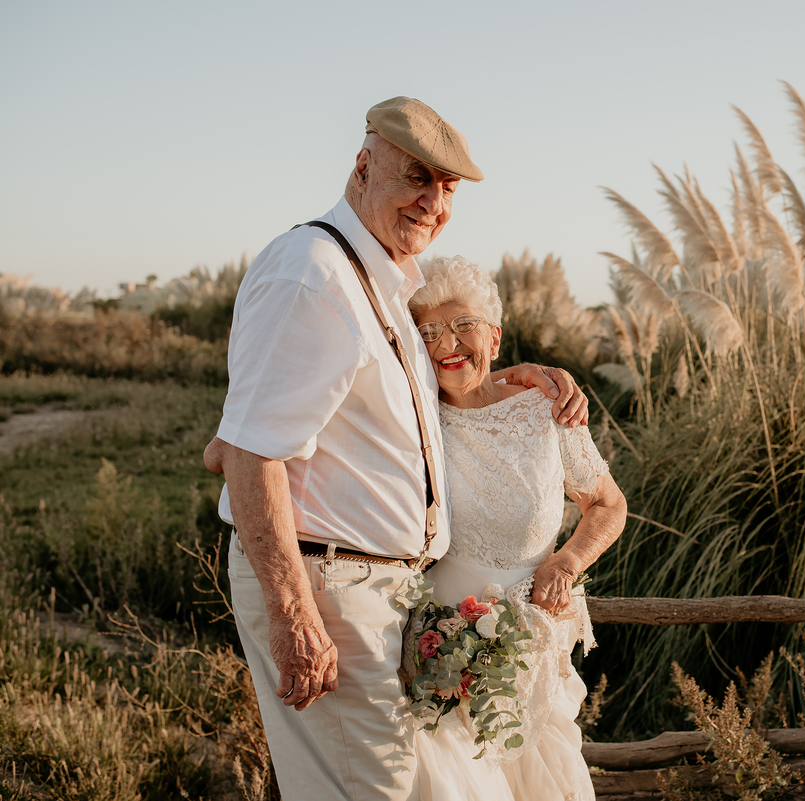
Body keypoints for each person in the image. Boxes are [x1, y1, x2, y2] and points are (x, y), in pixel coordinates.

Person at [203, 96, 588, 801]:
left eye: (447, 189)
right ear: (362, 166)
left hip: (383, 596)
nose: (433, 202)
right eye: (417, 176)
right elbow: (249, 454)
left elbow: (248, 434)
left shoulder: (379, 282)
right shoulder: (312, 274)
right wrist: (295, 616)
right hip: (327, 589)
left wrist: (509, 377)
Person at [408, 256, 626, 801]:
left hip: (528, 644)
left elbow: (606, 503)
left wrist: (569, 560)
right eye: (429, 331)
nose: (447, 343)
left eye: (464, 325)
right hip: (437, 648)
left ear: (495, 335)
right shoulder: (413, 417)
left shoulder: (546, 410)